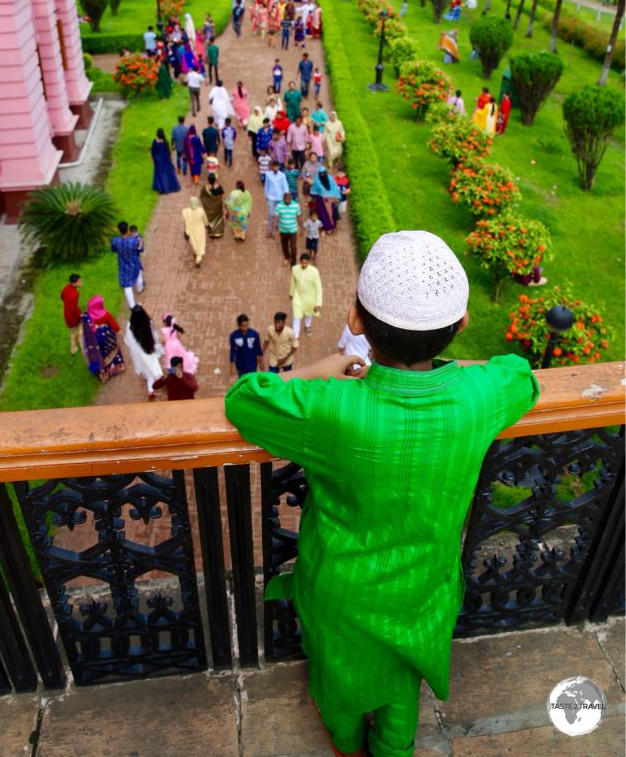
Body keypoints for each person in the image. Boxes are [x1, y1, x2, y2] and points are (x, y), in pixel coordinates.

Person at [225, 231, 538, 757]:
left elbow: (243, 401)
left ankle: (347, 744)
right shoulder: (480, 397)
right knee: (401, 686)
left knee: (341, 686)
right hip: (425, 592)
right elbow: (519, 375)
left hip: (342, 594)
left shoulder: (333, 410)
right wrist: (445, 377)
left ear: (355, 321)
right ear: (461, 325)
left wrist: (324, 369)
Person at [81, 295, 125, 383]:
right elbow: (115, 326)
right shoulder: (105, 314)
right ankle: (117, 368)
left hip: (96, 339)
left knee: (101, 355)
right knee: (113, 351)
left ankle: (104, 374)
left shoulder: (88, 316)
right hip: (108, 337)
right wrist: (122, 334)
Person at [124, 304, 164, 400]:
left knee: (144, 369)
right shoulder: (148, 323)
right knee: (151, 369)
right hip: (148, 349)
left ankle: (149, 383)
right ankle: (150, 389)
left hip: (138, 353)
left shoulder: (130, 327)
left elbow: (129, 342)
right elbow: (154, 337)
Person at [289, 252, 322, 339]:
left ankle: (307, 326)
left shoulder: (314, 272)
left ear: (308, 262)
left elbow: (318, 288)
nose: (304, 264)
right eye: (302, 262)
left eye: (306, 263)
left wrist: (318, 303)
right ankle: (296, 335)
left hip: (310, 298)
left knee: (309, 314)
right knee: (296, 316)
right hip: (298, 296)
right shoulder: (294, 269)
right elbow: (293, 282)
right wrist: (291, 293)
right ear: (300, 261)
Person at [110, 221, 142, 308]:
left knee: (127, 285)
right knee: (138, 276)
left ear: (119, 230)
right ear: (127, 229)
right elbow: (140, 249)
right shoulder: (133, 241)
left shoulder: (116, 241)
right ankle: (139, 289)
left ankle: (132, 306)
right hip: (134, 263)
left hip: (123, 265)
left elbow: (113, 249)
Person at [311, 165, 341, 233]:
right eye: (320, 173)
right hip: (321, 200)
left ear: (325, 173)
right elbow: (315, 189)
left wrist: (335, 196)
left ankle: (332, 227)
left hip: (330, 200)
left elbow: (334, 188)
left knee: (331, 213)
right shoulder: (317, 179)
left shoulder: (330, 179)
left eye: (323, 173)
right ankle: (325, 228)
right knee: (322, 213)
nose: (322, 175)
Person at [274, 191, 301, 267]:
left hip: (293, 230)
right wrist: (273, 229)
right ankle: (287, 257)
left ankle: (293, 261)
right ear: (283, 199)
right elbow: (275, 217)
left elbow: (299, 216)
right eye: (286, 199)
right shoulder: (279, 206)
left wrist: (301, 227)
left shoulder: (296, 205)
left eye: (289, 199)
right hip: (283, 230)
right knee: (284, 246)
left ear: (291, 198)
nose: (288, 201)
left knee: (293, 247)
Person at [151, 128, 181, 195]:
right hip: (165, 158)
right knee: (168, 172)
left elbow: (153, 151)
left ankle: (161, 187)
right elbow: (167, 151)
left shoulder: (155, 141)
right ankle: (169, 185)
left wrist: (153, 157)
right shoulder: (164, 141)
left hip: (158, 159)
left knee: (159, 173)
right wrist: (170, 158)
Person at [264, 159, 289, 237]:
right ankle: (270, 230)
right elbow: (266, 186)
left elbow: (285, 186)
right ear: (272, 167)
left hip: (280, 197)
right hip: (271, 197)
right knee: (271, 214)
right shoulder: (268, 175)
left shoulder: (282, 175)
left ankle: (279, 227)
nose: (275, 168)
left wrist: (286, 194)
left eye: (277, 167)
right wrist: (266, 195)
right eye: (274, 167)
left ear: (278, 167)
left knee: (280, 214)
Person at [181, 196, 209, 266]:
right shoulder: (201, 210)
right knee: (200, 244)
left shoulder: (185, 211)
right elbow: (205, 220)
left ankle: (197, 254)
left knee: (194, 243)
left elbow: (183, 222)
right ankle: (198, 259)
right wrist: (207, 225)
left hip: (190, 230)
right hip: (200, 230)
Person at [61, 273, 83, 355]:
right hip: (73, 317)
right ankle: (78, 347)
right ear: (74, 283)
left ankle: (74, 347)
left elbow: (62, 296)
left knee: (73, 331)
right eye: (79, 281)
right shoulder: (75, 294)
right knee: (79, 331)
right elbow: (73, 309)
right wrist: (80, 315)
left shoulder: (66, 288)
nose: (81, 282)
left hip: (66, 314)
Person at [200, 173, 225, 239]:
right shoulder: (219, 187)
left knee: (210, 220)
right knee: (218, 219)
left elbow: (202, 197)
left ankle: (211, 233)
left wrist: (207, 204)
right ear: (215, 179)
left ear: (208, 179)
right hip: (218, 207)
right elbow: (222, 196)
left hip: (208, 208)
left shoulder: (204, 188)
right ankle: (218, 233)